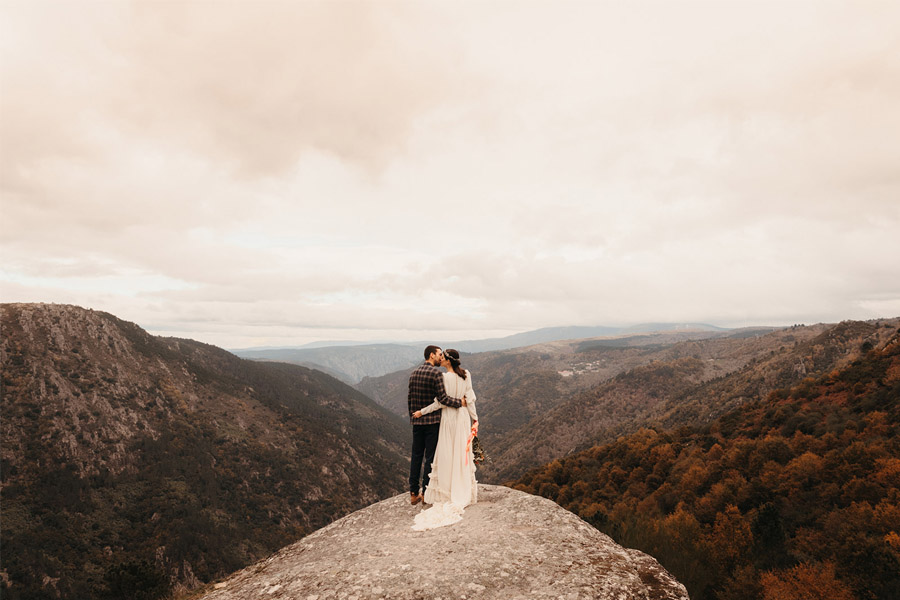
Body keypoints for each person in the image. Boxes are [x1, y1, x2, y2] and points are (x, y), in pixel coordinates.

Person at [412, 348, 479, 531]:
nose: (440, 359)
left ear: (448, 361)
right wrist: (475, 418)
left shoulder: (443, 378)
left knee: (448, 454)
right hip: (463, 417)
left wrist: (421, 412)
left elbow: (439, 403)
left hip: (449, 418)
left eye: (443, 357)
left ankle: (448, 490)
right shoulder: (467, 374)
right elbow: (470, 398)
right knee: (462, 453)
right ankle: (463, 488)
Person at [407, 345, 466, 506]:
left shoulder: (414, 373)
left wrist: (414, 415)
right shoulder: (436, 374)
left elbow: (410, 399)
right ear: (432, 355)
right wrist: (460, 402)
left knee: (416, 456)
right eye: (439, 354)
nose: (441, 357)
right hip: (432, 422)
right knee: (430, 458)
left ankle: (413, 493)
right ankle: (426, 493)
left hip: (417, 422)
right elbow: (443, 400)